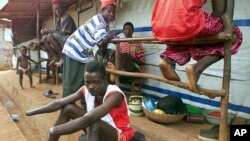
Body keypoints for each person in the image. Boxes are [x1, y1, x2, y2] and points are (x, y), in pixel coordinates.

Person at [25, 61, 134, 141]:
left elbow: (89, 118)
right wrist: (31, 112)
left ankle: (55, 132)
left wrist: (56, 130)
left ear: (104, 80)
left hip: (117, 133)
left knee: (93, 123)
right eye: (87, 82)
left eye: (95, 82)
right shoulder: (85, 89)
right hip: (97, 125)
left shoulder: (115, 94)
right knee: (68, 108)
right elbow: (59, 103)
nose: (90, 86)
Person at [151, 0, 243, 92]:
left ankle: (167, 60)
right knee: (234, 35)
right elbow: (218, 12)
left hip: (159, 25)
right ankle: (197, 68)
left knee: (186, 36)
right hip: (184, 21)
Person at [61, 0, 121, 97]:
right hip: (76, 50)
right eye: (109, 11)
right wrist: (118, 31)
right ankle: (66, 107)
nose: (112, 14)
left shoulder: (105, 24)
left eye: (114, 12)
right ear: (103, 10)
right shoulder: (99, 20)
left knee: (85, 78)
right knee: (72, 81)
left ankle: (84, 103)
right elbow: (103, 38)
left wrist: (111, 37)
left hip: (82, 52)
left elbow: (100, 42)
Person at [41, 0, 77, 67]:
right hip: (64, 38)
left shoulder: (66, 17)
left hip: (71, 39)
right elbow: (56, 30)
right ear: (53, 10)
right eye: (55, 9)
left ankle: (62, 57)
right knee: (44, 39)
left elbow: (64, 33)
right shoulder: (58, 19)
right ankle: (55, 57)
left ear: (63, 8)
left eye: (59, 8)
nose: (57, 10)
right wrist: (45, 30)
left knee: (49, 36)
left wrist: (49, 31)